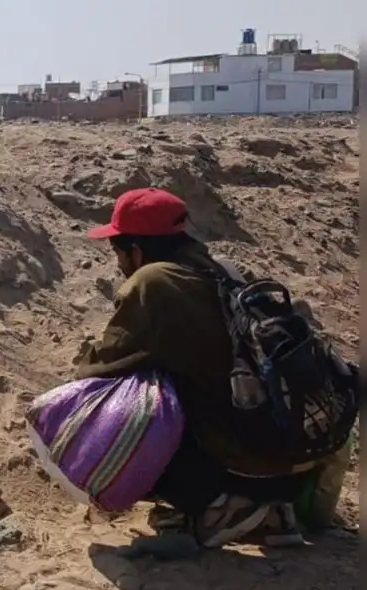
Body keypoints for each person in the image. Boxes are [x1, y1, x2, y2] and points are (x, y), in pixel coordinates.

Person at [76, 187, 313, 549]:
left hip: (238, 463)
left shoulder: (152, 282)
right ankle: (268, 508)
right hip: (284, 461)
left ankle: (223, 507)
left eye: (118, 252)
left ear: (136, 250)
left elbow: (97, 370)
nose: (119, 264)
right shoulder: (223, 271)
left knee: (117, 407)